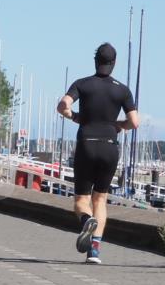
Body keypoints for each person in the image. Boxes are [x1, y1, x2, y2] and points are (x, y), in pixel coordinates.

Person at [56, 42, 139, 264]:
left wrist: (73, 116)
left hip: (87, 143)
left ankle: (86, 220)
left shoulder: (82, 84)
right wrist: (119, 125)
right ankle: (94, 251)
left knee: (81, 201)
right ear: (114, 63)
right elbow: (135, 122)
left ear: (95, 61)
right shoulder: (122, 89)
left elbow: (63, 104)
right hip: (110, 145)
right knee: (100, 198)